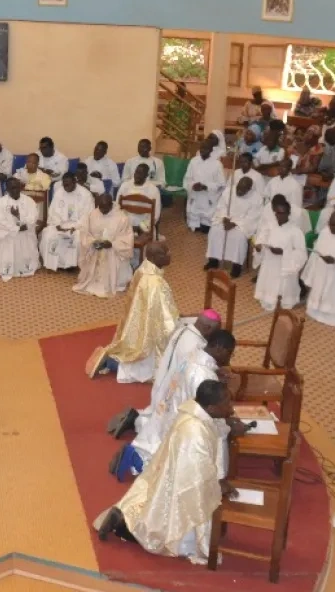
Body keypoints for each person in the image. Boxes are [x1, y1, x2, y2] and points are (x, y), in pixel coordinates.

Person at [95, 380, 246, 565]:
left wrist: (228, 426)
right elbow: (198, 478)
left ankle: (124, 517)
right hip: (181, 487)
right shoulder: (195, 434)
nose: (231, 408)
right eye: (227, 403)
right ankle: (123, 527)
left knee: (155, 511)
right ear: (212, 408)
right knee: (176, 539)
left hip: (171, 477)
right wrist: (218, 485)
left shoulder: (194, 413)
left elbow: (213, 430)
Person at [119, 329, 237, 474]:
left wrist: (215, 373)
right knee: (219, 436)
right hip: (182, 421)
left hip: (168, 410)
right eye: (230, 353)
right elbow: (210, 413)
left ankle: (136, 452)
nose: (230, 358)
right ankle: (137, 461)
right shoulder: (204, 376)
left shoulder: (193, 354)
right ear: (219, 348)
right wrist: (229, 426)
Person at [86, 239, 177, 383]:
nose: (170, 254)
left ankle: (111, 357)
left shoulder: (142, 269)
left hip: (137, 326)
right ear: (155, 258)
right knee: (152, 369)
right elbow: (166, 322)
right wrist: (179, 326)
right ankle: (110, 362)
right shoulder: (156, 283)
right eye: (166, 252)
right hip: (148, 334)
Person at [72, 194, 135, 299]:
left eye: (105, 207)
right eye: (100, 207)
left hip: (114, 252)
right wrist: (93, 242)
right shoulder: (93, 214)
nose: (102, 210)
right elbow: (85, 233)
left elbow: (127, 240)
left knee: (108, 255)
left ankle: (111, 283)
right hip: (95, 250)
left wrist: (112, 244)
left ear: (111, 204)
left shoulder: (122, 218)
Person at [253, 195, 308, 311]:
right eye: (277, 213)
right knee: (269, 286)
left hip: (284, 265)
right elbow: (262, 240)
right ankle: (267, 298)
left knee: (282, 291)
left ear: (288, 214)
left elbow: (301, 254)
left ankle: (284, 300)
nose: (279, 216)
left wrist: (284, 252)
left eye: (282, 213)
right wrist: (259, 248)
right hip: (269, 262)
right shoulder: (270, 226)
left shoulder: (296, 231)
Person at [205, 176, 260, 278]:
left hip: (241, 226)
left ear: (249, 189)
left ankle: (236, 266)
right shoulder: (229, 191)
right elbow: (221, 206)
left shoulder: (256, 198)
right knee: (214, 231)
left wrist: (235, 223)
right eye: (238, 188)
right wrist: (224, 218)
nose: (238, 191)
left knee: (239, 238)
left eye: (242, 190)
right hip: (226, 220)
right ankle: (213, 261)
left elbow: (252, 218)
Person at [0, 178, 40, 282]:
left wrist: (22, 222)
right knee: (10, 239)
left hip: (25, 234)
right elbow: (0, 222)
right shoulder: (0, 203)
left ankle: (25, 268)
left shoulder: (28, 201)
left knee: (24, 238)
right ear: (7, 189)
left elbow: (33, 216)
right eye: (12, 188)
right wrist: (17, 228)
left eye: (17, 187)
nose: (15, 190)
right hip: (8, 235)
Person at [41, 173, 95, 272]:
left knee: (78, 238)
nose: (65, 187)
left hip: (78, 226)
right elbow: (53, 211)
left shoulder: (86, 195)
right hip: (60, 225)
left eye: (68, 185)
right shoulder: (59, 192)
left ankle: (72, 265)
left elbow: (87, 216)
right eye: (64, 185)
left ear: (75, 182)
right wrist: (57, 225)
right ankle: (53, 264)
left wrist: (74, 227)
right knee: (47, 235)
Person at [184, 141, 224, 234]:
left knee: (206, 229)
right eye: (201, 148)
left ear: (211, 150)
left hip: (208, 198)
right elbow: (187, 179)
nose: (203, 150)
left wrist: (206, 187)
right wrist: (192, 185)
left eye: (205, 148)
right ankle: (194, 223)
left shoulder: (217, 164)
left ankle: (206, 223)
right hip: (195, 195)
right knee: (194, 226)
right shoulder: (193, 161)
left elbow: (221, 184)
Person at [117, 164, 163, 235]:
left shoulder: (153, 190)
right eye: (136, 172)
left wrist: (139, 227)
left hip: (143, 225)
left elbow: (156, 214)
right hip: (126, 223)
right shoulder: (125, 186)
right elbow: (117, 207)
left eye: (141, 174)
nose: (137, 176)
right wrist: (127, 225)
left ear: (146, 176)